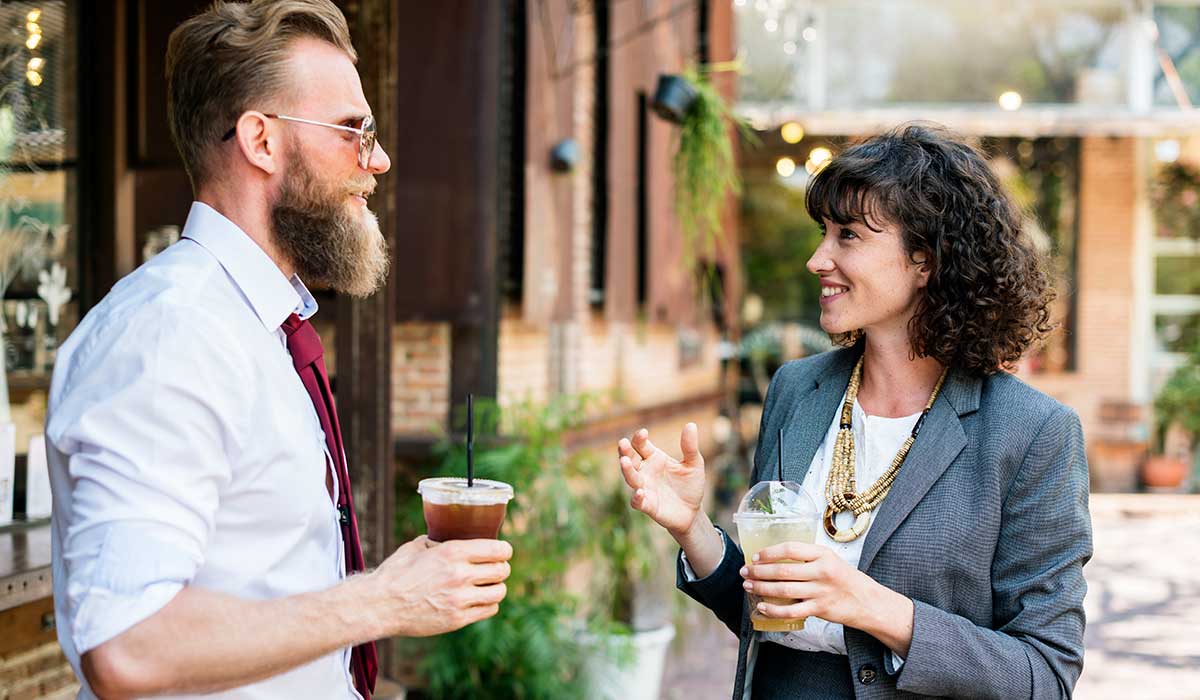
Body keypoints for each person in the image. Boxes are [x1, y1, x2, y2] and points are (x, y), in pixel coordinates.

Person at [45, 2, 512, 698]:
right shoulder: (172, 334)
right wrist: (382, 599)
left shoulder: (256, 325)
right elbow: (127, 646)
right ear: (261, 142)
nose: (378, 159)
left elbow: (262, 577)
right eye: (354, 131)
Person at [618, 124, 1091, 699]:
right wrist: (691, 527)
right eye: (824, 233)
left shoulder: (1033, 432)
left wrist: (872, 606)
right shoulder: (797, 389)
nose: (819, 259)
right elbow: (764, 615)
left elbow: (1043, 675)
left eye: (848, 236)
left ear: (925, 260)